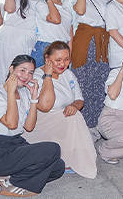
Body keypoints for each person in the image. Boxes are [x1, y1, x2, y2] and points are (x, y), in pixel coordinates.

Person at [0, 55, 64, 197]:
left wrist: (33, 98)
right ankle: (15, 182)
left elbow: (29, 127)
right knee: (53, 149)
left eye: (30, 72)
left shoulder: (24, 93)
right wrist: (10, 92)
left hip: (17, 144)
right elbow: (12, 124)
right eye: (22, 70)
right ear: (11, 69)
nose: (26, 76)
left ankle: (9, 178)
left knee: (58, 167)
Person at [25, 42, 96, 178]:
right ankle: (69, 159)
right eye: (58, 60)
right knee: (73, 118)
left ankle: (72, 157)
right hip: (40, 123)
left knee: (74, 115)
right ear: (47, 59)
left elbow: (79, 100)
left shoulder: (68, 74)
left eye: (66, 59)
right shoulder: (36, 77)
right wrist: (48, 76)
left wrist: (73, 106)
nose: (63, 64)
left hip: (62, 121)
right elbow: (45, 107)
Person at [71, 0, 113, 129]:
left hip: (102, 39)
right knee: (83, 79)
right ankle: (81, 124)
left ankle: (96, 124)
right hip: (84, 37)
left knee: (100, 80)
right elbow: (80, 11)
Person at [0, 0, 44, 80]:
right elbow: (9, 9)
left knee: (24, 74)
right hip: (9, 36)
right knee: (5, 72)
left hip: (29, 38)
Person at [31, 0, 72, 67]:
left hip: (63, 48)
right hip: (46, 47)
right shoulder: (42, 4)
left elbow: (70, 29)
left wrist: (69, 53)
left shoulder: (65, 2)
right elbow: (56, 20)